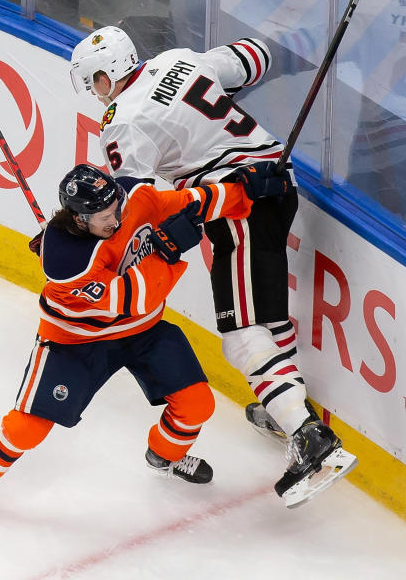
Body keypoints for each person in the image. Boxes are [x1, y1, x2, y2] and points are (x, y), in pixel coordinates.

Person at [69, 26, 351, 505]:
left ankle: (310, 439)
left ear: (107, 73)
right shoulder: (178, 60)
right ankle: (286, 409)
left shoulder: (122, 122)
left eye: (94, 81)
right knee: (269, 315)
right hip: (277, 181)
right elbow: (255, 57)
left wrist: (76, 232)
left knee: (241, 334)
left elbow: (135, 204)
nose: (95, 93)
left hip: (237, 201)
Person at [0, 162, 291, 520]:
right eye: (105, 219)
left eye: (117, 209)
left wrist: (245, 190)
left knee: (197, 404)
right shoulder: (67, 262)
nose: (116, 221)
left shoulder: (131, 196)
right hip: (77, 341)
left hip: (142, 331)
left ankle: (165, 455)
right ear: (80, 219)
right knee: (27, 426)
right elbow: (135, 297)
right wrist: (166, 249)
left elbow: (189, 203)